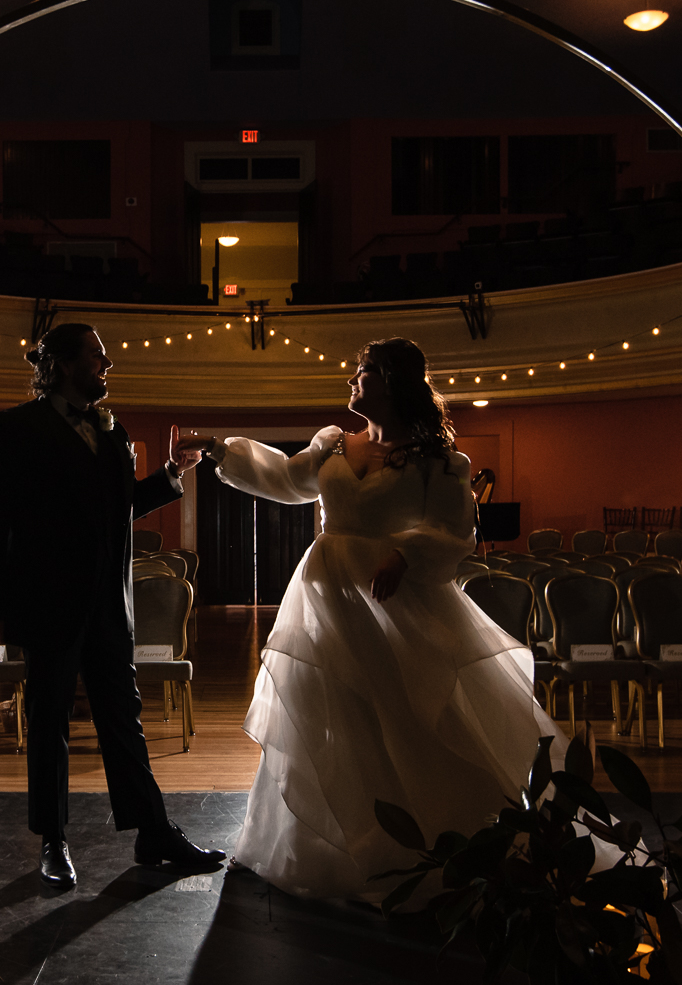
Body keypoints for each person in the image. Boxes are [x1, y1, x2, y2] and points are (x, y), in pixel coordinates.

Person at [187, 338, 564, 903]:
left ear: (392, 381)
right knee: (327, 716)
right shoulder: (333, 444)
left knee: (405, 715)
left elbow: (456, 529)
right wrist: (220, 451)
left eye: (362, 373)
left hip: (398, 602)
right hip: (327, 598)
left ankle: (423, 846)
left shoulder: (440, 460)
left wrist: (406, 553)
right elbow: (288, 481)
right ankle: (314, 844)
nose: (352, 383)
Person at [0, 323, 225, 888]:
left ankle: (152, 831)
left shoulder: (113, 430)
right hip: (47, 604)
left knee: (122, 723)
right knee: (50, 722)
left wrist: (170, 476)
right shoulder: (13, 427)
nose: (106, 366)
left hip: (109, 606)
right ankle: (54, 842)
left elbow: (120, 507)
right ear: (59, 364)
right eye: (96, 356)